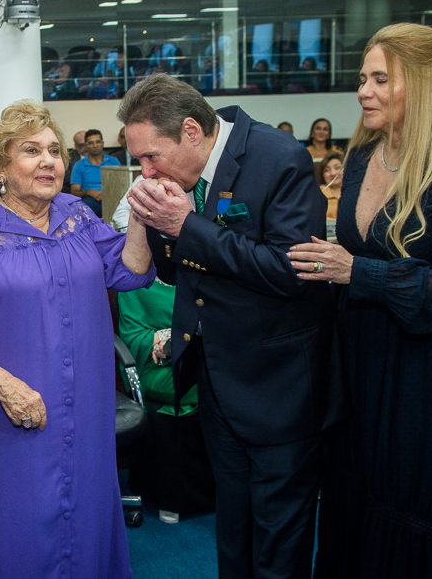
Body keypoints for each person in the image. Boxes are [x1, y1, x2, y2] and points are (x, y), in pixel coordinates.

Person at [288, 23, 432, 577]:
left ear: (424, 85)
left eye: (380, 78)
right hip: (364, 365)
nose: (363, 90)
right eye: (363, 78)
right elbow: (361, 250)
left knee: (415, 511)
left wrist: (356, 272)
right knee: (354, 506)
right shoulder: (363, 154)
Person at [0, 100, 154, 579]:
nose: (49, 161)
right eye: (31, 150)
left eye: (55, 151)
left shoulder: (77, 217)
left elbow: (130, 271)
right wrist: (8, 389)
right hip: (4, 418)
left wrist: (140, 215)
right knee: (15, 532)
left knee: (86, 521)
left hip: (85, 413)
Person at [122, 73, 341, 579]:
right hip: (217, 381)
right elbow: (176, 270)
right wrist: (157, 223)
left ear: (193, 131)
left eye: (151, 156)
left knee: (278, 546)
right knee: (233, 534)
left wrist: (186, 227)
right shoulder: (180, 179)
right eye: (139, 160)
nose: (145, 169)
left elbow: (293, 272)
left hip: (279, 387)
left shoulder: (278, 156)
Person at [117, 280, 217, 524]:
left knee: (218, 378)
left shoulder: (201, 273)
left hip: (200, 356)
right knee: (218, 385)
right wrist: (172, 338)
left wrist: (171, 337)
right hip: (152, 368)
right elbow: (134, 338)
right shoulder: (134, 283)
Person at [70, 129, 120, 216]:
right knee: (84, 207)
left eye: (98, 142)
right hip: (90, 200)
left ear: (103, 143)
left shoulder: (113, 161)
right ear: (86, 145)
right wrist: (89, 192)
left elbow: (122, 184)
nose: (95, 145)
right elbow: (74, 192)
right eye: (91, 143)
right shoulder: (79, 165)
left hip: (112, 198)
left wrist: (108, 193)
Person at [319, 150, 344, 221]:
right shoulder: (318, 193)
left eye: (337, 168)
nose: (332, 173)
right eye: (327, 170)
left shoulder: (356, 192)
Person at [62, 129, 86, 194]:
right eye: (81, 145)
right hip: (73, 192)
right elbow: (65, 177)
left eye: (87, 143)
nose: (85, 147)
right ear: (76, 146)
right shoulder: (68, 157)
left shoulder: (103, 156)